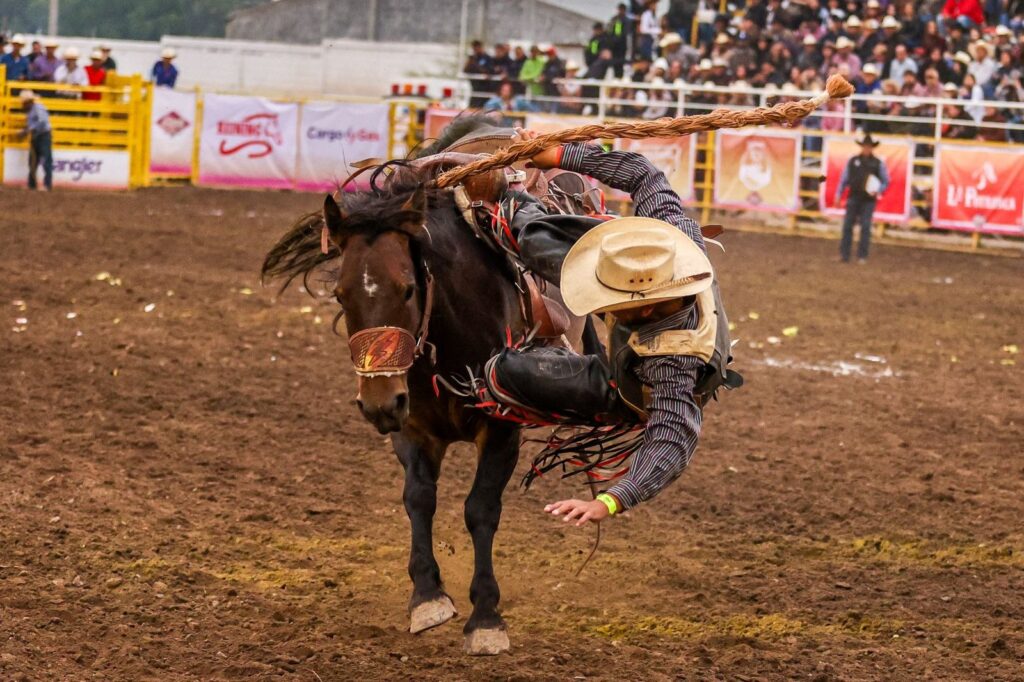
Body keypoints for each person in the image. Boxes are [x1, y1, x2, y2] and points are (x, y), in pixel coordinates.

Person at [472, 129, 738, 525]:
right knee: (539, 239)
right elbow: (642, 173)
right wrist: (560, 154)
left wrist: (609, 501)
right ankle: (515, 201)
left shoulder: (670, 363)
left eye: (608, 299)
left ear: (643, 309)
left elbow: (671, 440)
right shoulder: (676, 238)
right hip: (642, 300)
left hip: (627, 386)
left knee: (507, 371)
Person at [835, 133, 889, 263]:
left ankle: (862, 255)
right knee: (848, 225)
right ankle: (845, 254)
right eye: (865, 146)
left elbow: (886, 181)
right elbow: (844, 179)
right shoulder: (853, 161)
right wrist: (838, 194)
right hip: (854, 196)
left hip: (868, 200)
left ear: (872, 148)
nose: (867, 149)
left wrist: (878, 190)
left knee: (865, 227)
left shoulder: (877, 163)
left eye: (868, 146)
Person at [17, 91, 53, 191]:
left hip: (43, 136)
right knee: (32, 161)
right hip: (36, 136)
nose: (22, 105)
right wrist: (26, 130)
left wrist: (27, 131)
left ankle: (47, 185)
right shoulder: (31, 110)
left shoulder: (38, 108)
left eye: (23, 103)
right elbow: (33, 124)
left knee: (46, 161)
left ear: (28, 102)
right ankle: (31, 184)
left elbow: (42, 122)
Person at [608, 3, 633, 78]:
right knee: (614, 63)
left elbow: (626, 33)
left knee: (621, 63)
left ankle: (619, 76)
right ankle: (616, 76)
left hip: (622, 46)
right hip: (614, 45)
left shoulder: (626, 20)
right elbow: (610, 31)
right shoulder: (614, 19)